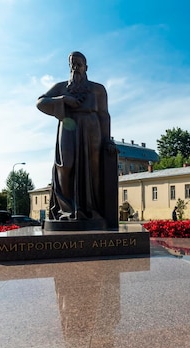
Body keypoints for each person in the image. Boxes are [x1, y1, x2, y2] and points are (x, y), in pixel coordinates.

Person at [37, 51, 117, 227]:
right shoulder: (61, 87)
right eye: (72, 64)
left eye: (79, 64)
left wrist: (108, 140)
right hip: (68, 126)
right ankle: (67, 209)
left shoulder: (98, 89)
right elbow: (40, 102)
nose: (76, 67)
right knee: (65, 166)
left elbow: (104, 115)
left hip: (92, 130)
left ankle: (91, 210)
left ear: (86, 67)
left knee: (93, 169)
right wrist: (64, 99)